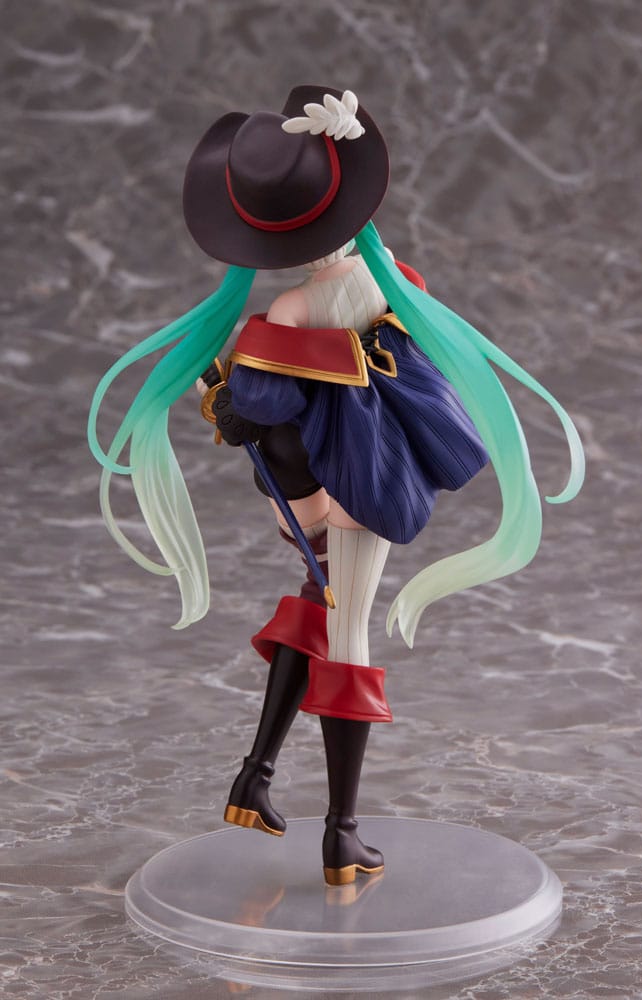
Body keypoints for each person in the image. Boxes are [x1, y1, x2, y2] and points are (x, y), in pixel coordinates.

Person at [88, 86, 585, 886]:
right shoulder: (393, 279)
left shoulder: (291, 308)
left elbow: (260, 405)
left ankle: (262, 784)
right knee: (342, 626)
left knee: (332, 616)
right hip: (365, 477)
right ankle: (335, 834)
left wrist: (225, 394)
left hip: (336, 482)